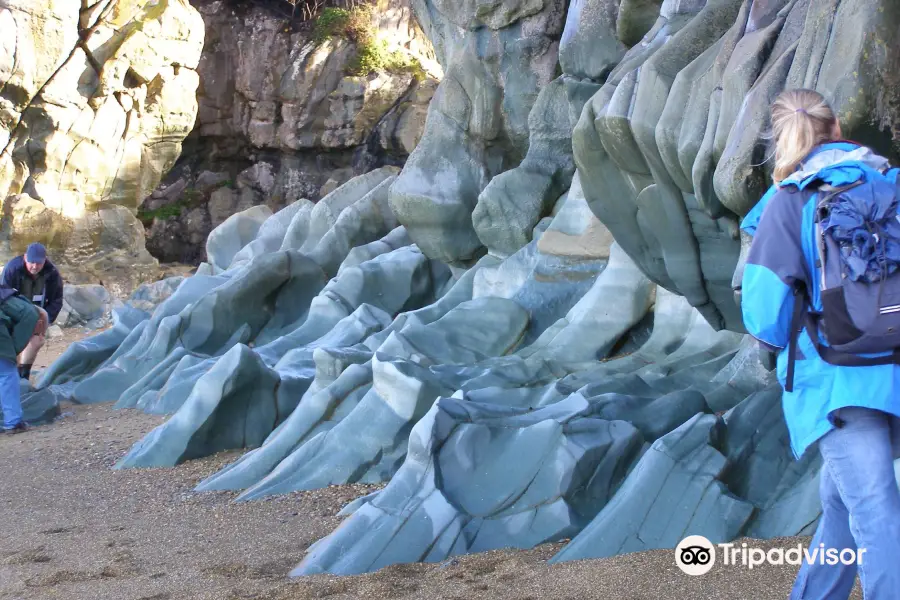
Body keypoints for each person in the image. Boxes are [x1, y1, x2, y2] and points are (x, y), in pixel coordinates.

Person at [740, 88, 900, 599]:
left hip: (835, 382)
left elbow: (766, 318)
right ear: (837, 128)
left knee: (873, 508)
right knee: (841, 501)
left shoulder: (788, 204)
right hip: (894, 369)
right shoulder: (890, 185)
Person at [0, 243, 63, 380]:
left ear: (45, 260)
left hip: (38, 314)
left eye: (39, 263)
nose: (35, 266)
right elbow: (3, 296)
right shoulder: (12, 269)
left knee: (36, 341)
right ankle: (11, 373)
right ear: (25, 258)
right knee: (11, 344)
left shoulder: (52, 273)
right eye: (32, 262)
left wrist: (47, 320)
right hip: (13, 313)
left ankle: (24, 374)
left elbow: (57, 300)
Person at [0, 284, 44, 433]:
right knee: (6, 373)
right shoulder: (27, 310)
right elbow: (30, 316)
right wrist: (12, 353)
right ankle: (13, 423)